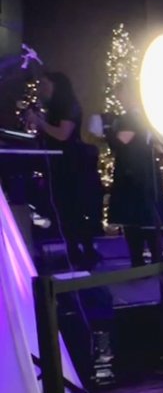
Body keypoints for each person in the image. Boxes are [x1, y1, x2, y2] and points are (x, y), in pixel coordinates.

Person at [22, 71, 101, 268]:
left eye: (46, 85)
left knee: (74, 209)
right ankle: (73, 250)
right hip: (56, 164)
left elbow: (63, 134)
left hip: (70, 164)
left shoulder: (68, 106)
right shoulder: (51, 107)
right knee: (64, 211)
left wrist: (41, 122)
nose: (43, 89)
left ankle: (87, 251)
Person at [105, 94, 163, 267]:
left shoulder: (130, 118)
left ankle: (139, 262)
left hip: (133, 174)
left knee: (135, 219)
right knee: (146, 218)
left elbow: (121, 142)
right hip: (144, 171)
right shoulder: (145, 117)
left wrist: (107, 128)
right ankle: (155, 260)